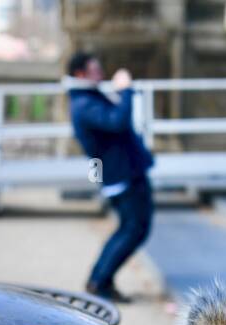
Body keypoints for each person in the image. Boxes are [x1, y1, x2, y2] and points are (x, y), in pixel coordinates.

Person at [66, 51, 155, 304]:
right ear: (80, 74)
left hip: (124, 172)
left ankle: (100, 280)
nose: (101, 74)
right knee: (133, 228)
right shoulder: (84, 103)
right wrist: (126, 90)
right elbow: (117, 121)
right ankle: (99, 280)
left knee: (132, 228)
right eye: (95, 70)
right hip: (121, 175)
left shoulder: (86, 98)